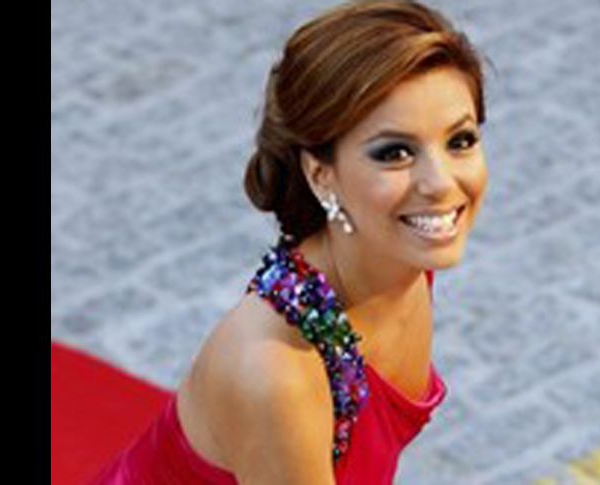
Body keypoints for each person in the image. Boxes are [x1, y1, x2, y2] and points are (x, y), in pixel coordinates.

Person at [91, 0, 488, 483]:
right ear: (321, 174)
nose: (440, 183)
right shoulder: (278, 375)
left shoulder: (400, 258)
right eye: (394, 153)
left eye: (460, 141)